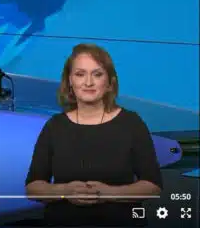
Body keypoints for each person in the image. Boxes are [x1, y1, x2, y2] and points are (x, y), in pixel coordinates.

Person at [25, 43, 162, 226]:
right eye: (80, 74)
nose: (88, 82)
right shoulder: (54, 126)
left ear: (109, 83)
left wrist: (108, 194)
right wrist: (65, 191)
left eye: (97, 74)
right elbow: (33, 187)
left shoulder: (131, 123)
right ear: (70, 81)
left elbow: (153, 186)